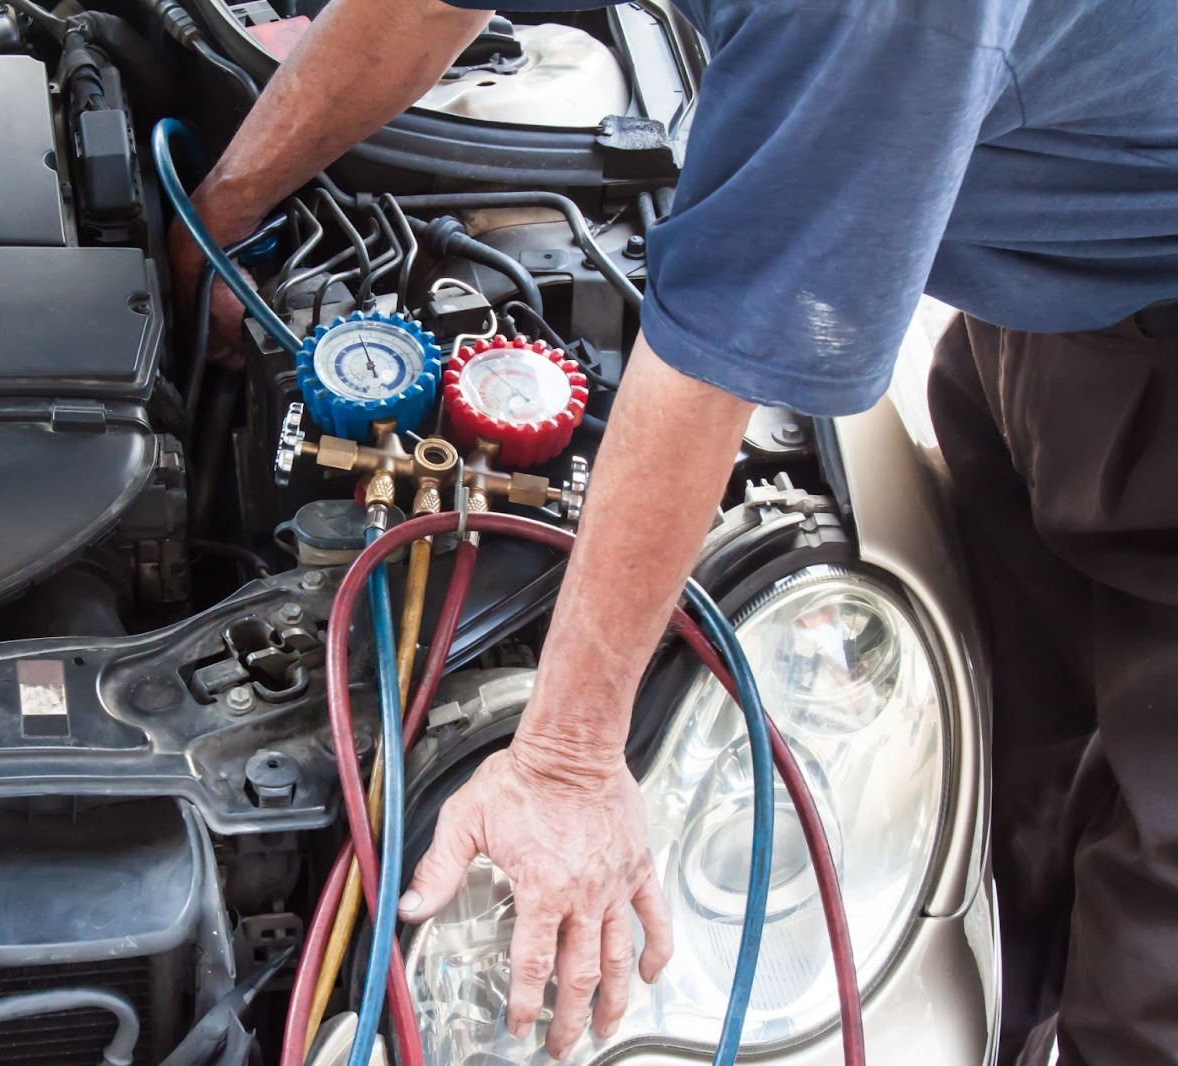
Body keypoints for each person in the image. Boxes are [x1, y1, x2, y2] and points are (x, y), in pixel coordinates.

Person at [170, 1, 1178, 1062]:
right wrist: (220, 217)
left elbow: (715, 363)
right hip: (1058, 290)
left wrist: (565, 761)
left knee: (1156, 934)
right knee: (1012, 776)